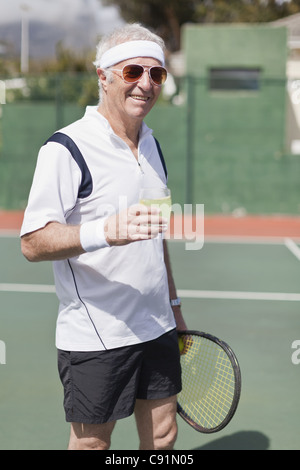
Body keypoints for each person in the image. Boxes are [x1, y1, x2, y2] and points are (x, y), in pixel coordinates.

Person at [21, 23, 187, 451]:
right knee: (92, 445)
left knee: (164, 436)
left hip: (156, 325)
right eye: (133, 71)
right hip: (97, 334)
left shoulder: (151, 145)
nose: (146, 84)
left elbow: (156, 237)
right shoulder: (66, 148)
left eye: (157, 74)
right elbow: (33, 242)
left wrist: (174, 307)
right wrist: (103, 232)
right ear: (103, 76)